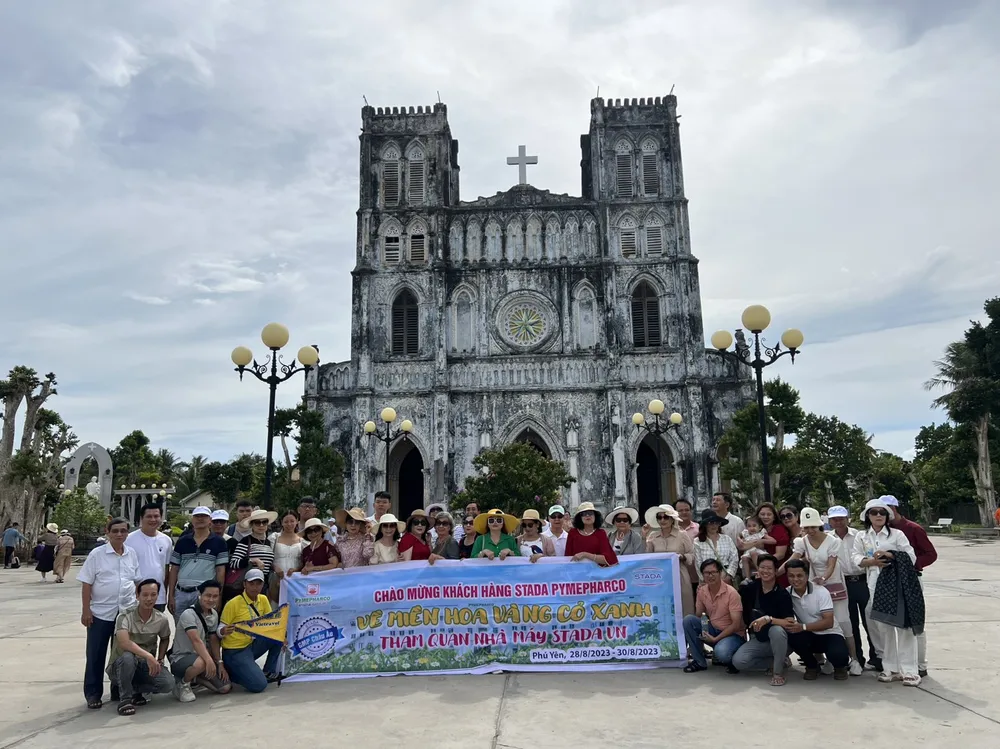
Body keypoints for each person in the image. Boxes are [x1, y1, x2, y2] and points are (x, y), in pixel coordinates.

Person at [782, 507, 862, 675]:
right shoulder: (801, 542)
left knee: (842, 621)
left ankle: (854, 659)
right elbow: (793, 559)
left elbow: (831, 564)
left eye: (813, 526)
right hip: (814, 584)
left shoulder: (833, 541)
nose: (810, 530)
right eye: (807, 527)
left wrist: (824, 578)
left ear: (819, 525)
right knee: (814, 620)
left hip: (833, 583)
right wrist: (775, 572)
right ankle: (824, 660)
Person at [852, 497, 920, 686]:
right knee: (884, 626)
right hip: (874, 584)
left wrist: (890, 555)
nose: (878, 516)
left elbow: (911, 557)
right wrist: (871, 562)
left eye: (882, 512)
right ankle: (890, 667)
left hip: (898, 585)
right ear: (868, 516)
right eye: (874, 512)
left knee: (904, 627)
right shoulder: (862, 536)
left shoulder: (897, 535)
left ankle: (910, 670)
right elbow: (855, 558)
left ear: (888, 516)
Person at [78, 517, 142, 710]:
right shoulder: (97, 555)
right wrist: (86, 610)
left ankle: (119, 690)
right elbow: (87, 583)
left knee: (121, 656)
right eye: (115, 531)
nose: (119, 534)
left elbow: (136, 580)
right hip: (100, 613)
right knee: (95, 654)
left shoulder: (131, 554)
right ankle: (93, 693)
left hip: (125, 614)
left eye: (123, 531)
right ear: (107, 532)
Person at [884, 495, 937, 677]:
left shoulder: (913, 529)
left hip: (911, 579)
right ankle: (895, 664)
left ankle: (921, 664)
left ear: (895, 508)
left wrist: (911, 565)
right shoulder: (882, 529)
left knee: (915, 622)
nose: (882, 514)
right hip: (888, 583)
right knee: (891, 624)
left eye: (886, 509)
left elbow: (931, 554)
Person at [107, 579, 175, 715]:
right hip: (120, 665)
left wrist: (160, 659)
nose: (149, 599)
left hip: (144, 666)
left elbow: (165, 638)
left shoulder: (161, 619)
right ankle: (125, 699)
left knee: (168, 683)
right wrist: (149, 656)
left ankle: (133, 690)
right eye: (145, 595)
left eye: (153, 594)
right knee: (128, 657)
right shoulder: (125, 616)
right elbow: (124, 643)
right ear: (137, 596)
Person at [732, 554, 795, 686]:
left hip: (780, 641)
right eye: (762, 567)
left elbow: (790, 622)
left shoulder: (782, 594)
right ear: (757, 569)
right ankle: (776, 661)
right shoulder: (750, 589)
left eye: (769, 568)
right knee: (739, 662)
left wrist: (769, 619)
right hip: (759, 639)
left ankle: (777, 672)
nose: (765, 571)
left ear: (776, 571)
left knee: (776, 630)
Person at [827, 504, 875, 671]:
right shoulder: (828, 539)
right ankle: (857, 659)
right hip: (842, 584)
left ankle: (876, 657)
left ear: (848, 519)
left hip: (862, 581)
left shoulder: (860, 535)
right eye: (834, 519)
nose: (838, 522)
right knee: (850, 623)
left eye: (841, 518)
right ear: (829, 521)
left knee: (870, 621)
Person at [784, 560, 850, 680]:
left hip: (830, 633)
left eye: (799, 575)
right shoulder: (787, 593)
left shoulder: (821, 592)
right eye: (791, 576)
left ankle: (840, 667)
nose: (795, 579)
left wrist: (803, 627)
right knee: (792, 636)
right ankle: (812, 666)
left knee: (838, 655)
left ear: (807, 576)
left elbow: (828, 622)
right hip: (808, 635)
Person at [219, 569, 282, 692]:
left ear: (262, 585)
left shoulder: (263, 599)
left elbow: (269, 624)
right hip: (235, 651)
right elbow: (219, 629)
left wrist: (281, 637)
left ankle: (268, 671)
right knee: (259, 686)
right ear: (244, 584)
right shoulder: (233, 603)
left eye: (258, 584)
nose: (255, 587)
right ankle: (235, 673)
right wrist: (223, 631)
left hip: (252, 644)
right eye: (251, 583)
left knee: (279, 634)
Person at [169, 580, 231, 702]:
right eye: (208, 595)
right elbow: (196, 640)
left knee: (224, 687)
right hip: (181, 658)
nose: (211, 599)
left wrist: (219, 662)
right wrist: (209, 660)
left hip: (200, 657)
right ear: (200, 594)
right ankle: (182, 684)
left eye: (215, 596)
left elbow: (213, 639)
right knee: (202, 663)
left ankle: (195, 678)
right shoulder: (188, 614)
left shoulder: (214, 614)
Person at [682, 559, 745, 672]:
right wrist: (698, 596)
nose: (710, 576)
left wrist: (716, 639)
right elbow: (698, 616)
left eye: (713, 572)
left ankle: (732, 659)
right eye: (706, 573)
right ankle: (699, 662)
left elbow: (736, 624)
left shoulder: (732, 593)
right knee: (688, 620)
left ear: (720, 573)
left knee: (722, 653)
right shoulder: (702, 591)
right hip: (713, 629)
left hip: (732, 634)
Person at [167, 506, 229, 621]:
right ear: (192, 519)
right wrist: (171, 595)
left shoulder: (219, 542)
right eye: (197, 516)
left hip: (204, 594)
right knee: (181, 630)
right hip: (181, 593)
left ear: (210, 520)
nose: (200, 519)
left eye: (204, 516)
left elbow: (220, 571)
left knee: (203, 630)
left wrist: (219, 596)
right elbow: (174, 569)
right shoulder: (182, 541)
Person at [645, 504, 695, 616]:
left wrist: (682, 556)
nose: (663, 520)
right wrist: (644, 537)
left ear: (672, 519)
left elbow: (692, 555)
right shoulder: (652, 536)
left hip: (679, 573)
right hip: (659, 576)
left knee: (684, 605)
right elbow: (647, 557)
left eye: (666, 517)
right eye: (659, 517)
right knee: (662, 606)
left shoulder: (682, 535)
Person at [126, 504, 173, 612]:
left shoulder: (166, 540)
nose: (153, 519)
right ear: (141, 519)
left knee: (156, 627)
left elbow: (166, 569)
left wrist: (164, 593)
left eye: (156, 516)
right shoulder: (129, 539)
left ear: (161, 518)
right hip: (134, 597)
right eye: (149, 516)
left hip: (158, 597)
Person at [229, 509, 277, 598]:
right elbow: (233, 563)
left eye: (264, 522)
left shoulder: (268, 542)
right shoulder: (246, 541)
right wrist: (252, 560)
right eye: (257, 522)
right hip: (248, 584)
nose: (261, 525)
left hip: (264, 584)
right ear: (252, 525)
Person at [693, 509, 738, 583]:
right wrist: (705, 579)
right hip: (707, 579)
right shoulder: (697, 541)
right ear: (705, 524)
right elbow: (698, 564)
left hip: (725, 576)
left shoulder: (727, 539)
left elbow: (734, 558)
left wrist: (729, 575)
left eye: (716, 522)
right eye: (711, 523)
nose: (714, 525)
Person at [565, 502, 618, 567]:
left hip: (597, 574)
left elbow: (608, 559)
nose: (587, 515)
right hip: (577, 573)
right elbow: (567, 557)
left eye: (590, 513)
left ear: (595, 516)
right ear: (580, 517)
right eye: (584, 514)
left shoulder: (601, 533)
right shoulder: (573, 533)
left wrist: (585, 554)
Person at [269, 511, 303, 602]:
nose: (289, 524)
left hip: (295, 580)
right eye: (286, 521)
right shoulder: (274, 537)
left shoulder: (302, 541)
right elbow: (267, 556)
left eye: (292, 521)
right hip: (276, 579)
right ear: (281, 523)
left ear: (297, 521)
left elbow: (304, 561)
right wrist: (275, 567)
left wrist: (296, 569)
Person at [738, 515, 767, 580]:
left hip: (758, 552)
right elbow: (739, 536)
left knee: (753, 553)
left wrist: (761, 541)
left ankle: (759, 571)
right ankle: (747, 578)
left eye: (754, 526)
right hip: (748, 552)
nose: (752, 528)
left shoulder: (760, 533)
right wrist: (740, 540)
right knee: (744, 558)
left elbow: (773, 541)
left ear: (759, 527)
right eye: (749, 526)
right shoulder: (745, 533)